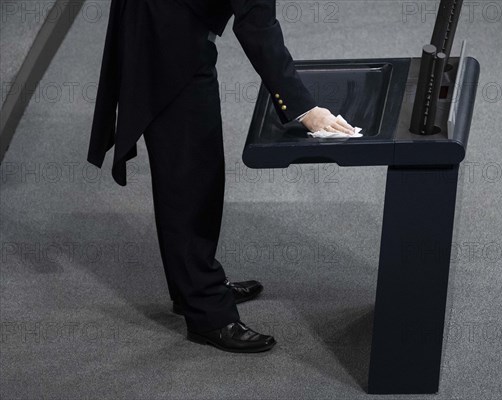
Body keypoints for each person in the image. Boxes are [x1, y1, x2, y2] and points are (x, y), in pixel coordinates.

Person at [87, 0, 355, 353]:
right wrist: (303, 108)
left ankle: (197, 285)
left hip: (179, 22)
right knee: (188, 175)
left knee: (200, 167)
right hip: (163, 34)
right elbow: (255, 22)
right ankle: (206, 313)